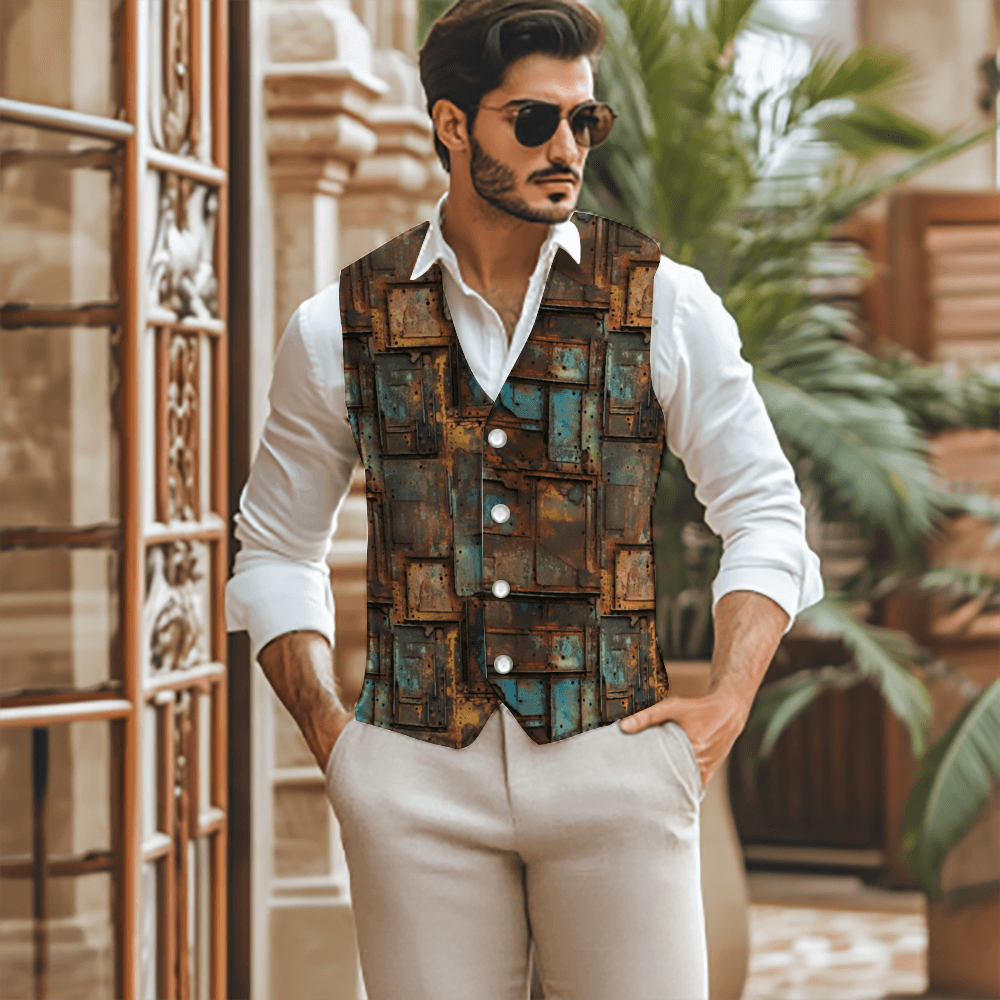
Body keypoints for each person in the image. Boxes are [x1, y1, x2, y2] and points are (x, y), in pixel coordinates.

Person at [226, 1, 824, 997]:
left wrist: (725, 700)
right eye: (533, 121)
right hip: (413, 777)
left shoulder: (664, 302)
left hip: (616, 763)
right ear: (453, 125)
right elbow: (275, 549)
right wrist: (339, 746)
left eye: (583, 122)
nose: (566, 148)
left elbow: (763, 510)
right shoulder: (337, 326)